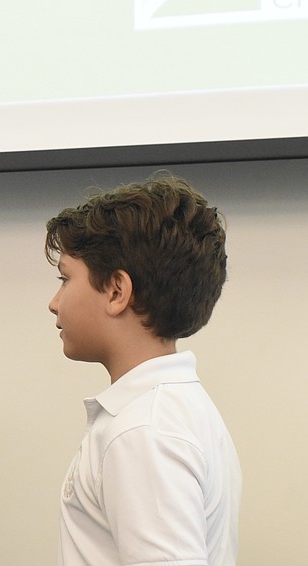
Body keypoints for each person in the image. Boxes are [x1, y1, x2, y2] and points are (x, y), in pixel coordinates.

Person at [45, 174, 242, 565]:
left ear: (117, 292)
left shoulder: (144, 431)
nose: (54, 303)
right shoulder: (174, 408)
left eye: (65, 279)